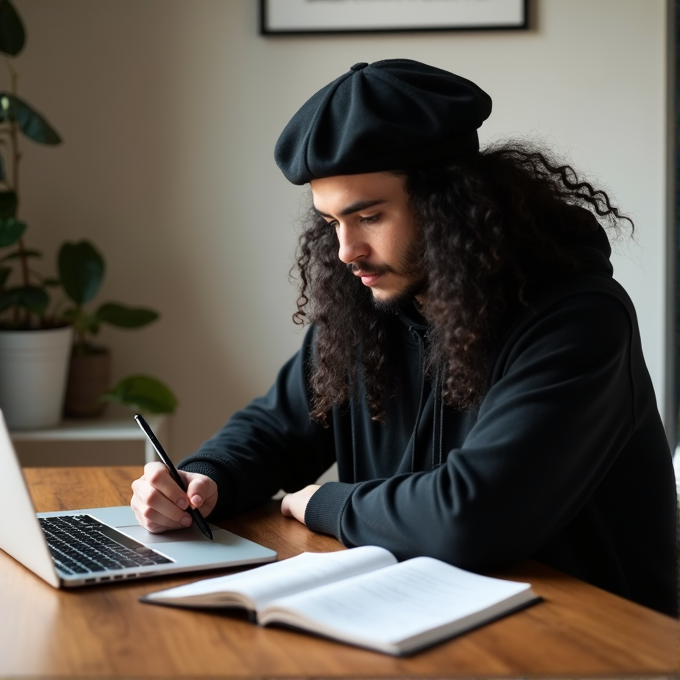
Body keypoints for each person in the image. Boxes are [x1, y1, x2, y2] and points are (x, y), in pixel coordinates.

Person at [131, 59, 678, 617]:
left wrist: (325, 502)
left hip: (591, 642)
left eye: (368, 216)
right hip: (422, 621)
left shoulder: (579, 320)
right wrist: (205, 478)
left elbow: (472, 518)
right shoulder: (369, 310)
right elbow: (277, 429)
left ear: (450, 203)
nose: (346, 252)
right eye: (331, 223)